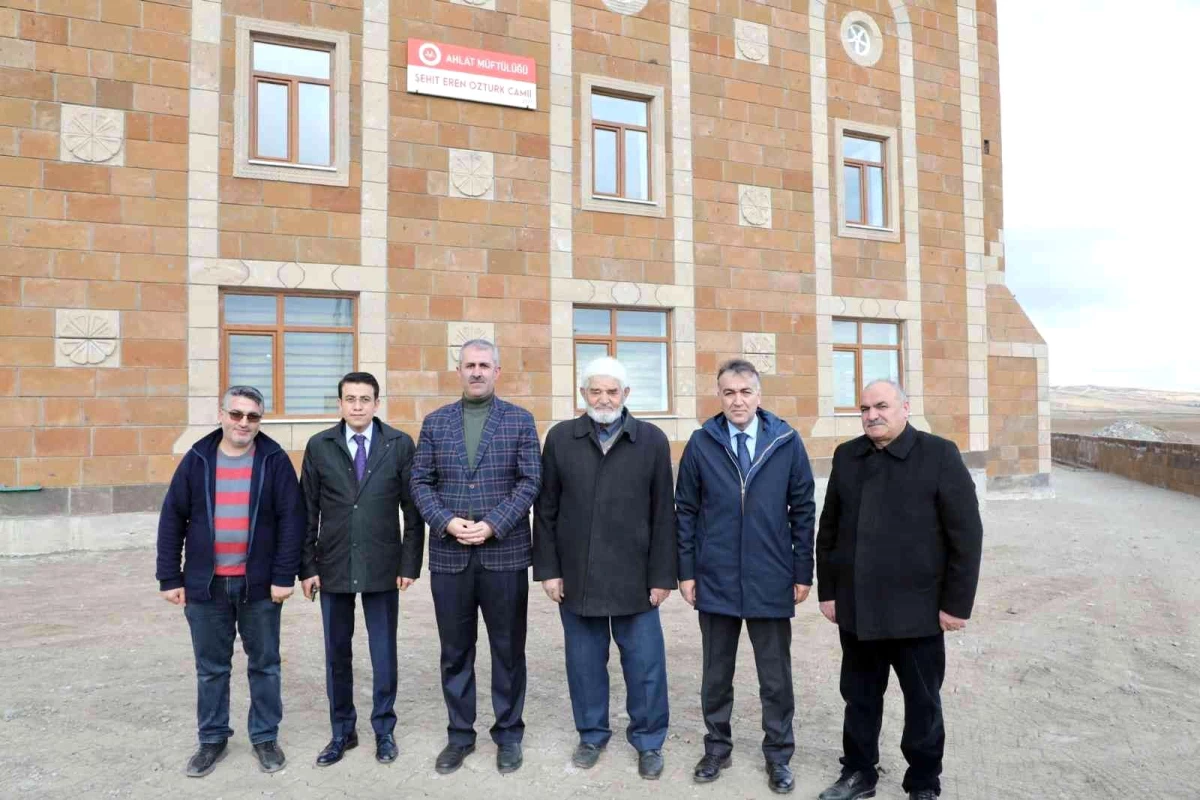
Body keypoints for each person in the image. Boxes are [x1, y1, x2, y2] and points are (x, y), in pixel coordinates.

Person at [815, 379, 983, 800]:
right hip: (858, 609)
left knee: (923, 704)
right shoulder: (847, 456)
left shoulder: (939, 454)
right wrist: (828, 591)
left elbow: (966, 535)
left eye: (882, 406)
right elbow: (829, 530)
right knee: (859, 698)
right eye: (865, 407)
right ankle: (858, 772)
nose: (872, 414)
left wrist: (956, 604)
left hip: (919, 611)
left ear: (905, 408)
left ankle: (923, 781)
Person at [675, 358, 816, 794]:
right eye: (729, 393)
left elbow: (804, 510)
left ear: (759, 395)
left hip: (771, 577)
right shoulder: (701, 443)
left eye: (745, 392)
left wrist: (802, 571)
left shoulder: (786, 442)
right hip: (714, 577)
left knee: (775, 678)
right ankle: (717, 747)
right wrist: (685, 571)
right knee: (716, 674)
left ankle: (778, 755)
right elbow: (686, 511)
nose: (738, 401)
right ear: (719, 396)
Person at [533, 357, 676, 779]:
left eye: (612, 391)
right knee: (584, 663)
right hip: (577, 576)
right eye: (596, 391)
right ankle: (592, 734)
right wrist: (549, 571)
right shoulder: (561, 438)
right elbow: (546, 510)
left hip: (636, 578)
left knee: (645, 666)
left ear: (626, 395)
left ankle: (649, 741)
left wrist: (662, 576)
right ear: (583, 395)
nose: (604, 399)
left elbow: (663, 514)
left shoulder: (651, 440)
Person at [155, 385, 305, 777]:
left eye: (252, 416)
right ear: (221, 415)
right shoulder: (198, 459)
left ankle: (265, 737)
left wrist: (282, 575)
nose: (243, 422)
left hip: (259, 585)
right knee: (211, 668)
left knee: (265, 665)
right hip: (207, 585)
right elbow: (173, 517)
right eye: (236, 414)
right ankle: (212, 740)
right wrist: (169, 576)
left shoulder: (274, 460)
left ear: (260, 420)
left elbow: (293, 520)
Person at [410, 339, 541, 775]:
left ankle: (508, 735)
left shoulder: (520, 421)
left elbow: (529, 481)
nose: (477, 372)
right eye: (470, 365)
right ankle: (460, 736)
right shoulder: (435, 423)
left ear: (498, 371)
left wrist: (494, 523)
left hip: (503, 554)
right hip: (450, 557)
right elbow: (420, 482)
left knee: (508, 650)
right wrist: (446, 521)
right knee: (455, 652)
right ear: (459, 370)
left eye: (485, 365)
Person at [298, 372, 424, 767]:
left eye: (364, 399)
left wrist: (409, 564)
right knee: (337, 651)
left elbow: (413, 511)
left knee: (382, 650)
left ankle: (384, 730)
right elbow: (307, 512)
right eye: (350, 399)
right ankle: (342, 731)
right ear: (339, 404)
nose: (357, 406)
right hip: (332, 563)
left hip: (383, 565)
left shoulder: (399, 445)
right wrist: (307, 567)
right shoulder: (319, 446)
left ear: (376, 403)